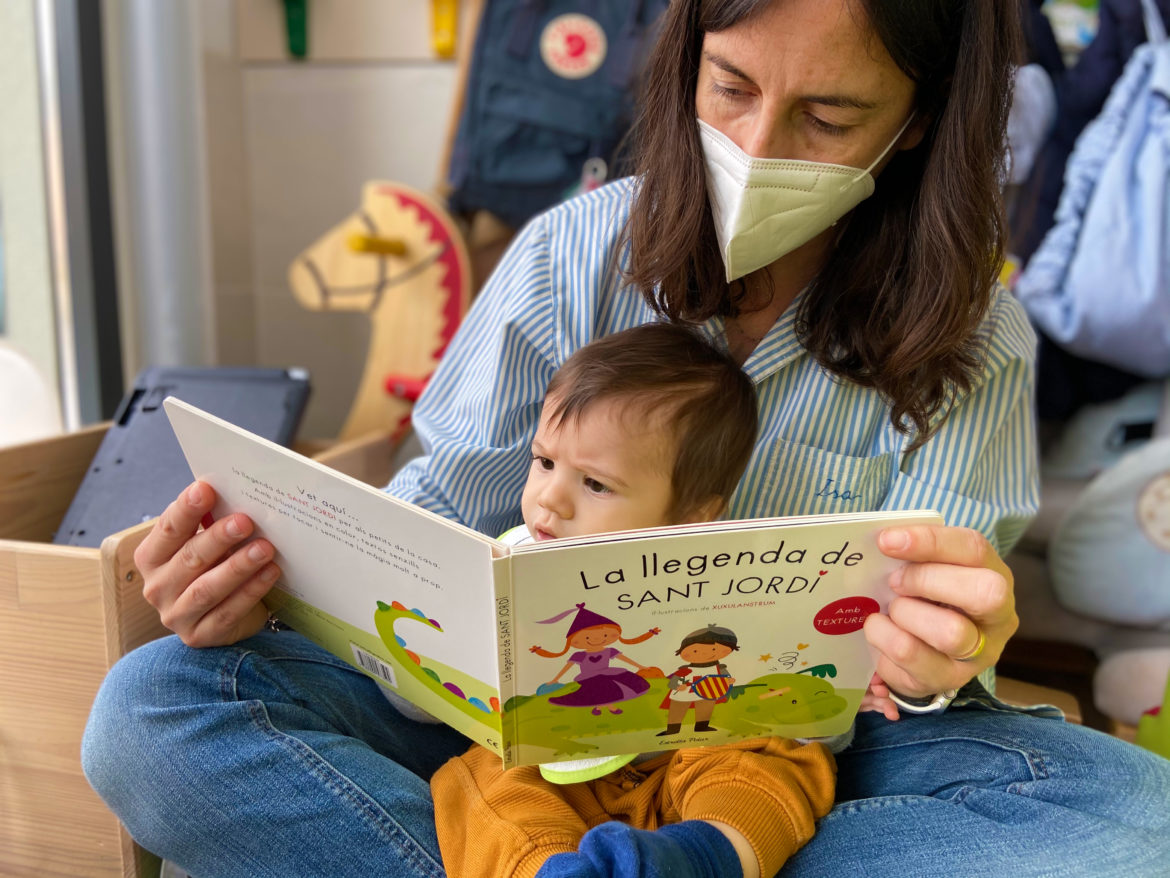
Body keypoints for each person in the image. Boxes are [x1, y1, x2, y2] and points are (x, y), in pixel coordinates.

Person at [82, 2, 1170, 877]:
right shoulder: (568, 257)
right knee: (149, 711)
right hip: (516, 724)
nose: (757, 145)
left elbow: (926, 669)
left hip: (809, 742)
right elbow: (432, 518)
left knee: (1138, 822)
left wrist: (946, 652)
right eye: (732, 87)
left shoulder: (973, 335)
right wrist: (264, 575)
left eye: (829, 118)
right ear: (686, 54)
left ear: (916, 120)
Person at [430, 322, 834, 878]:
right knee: (474, 780)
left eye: (594, 484)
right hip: (554, 772)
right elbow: (434, 684)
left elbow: (801, 693)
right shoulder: (511, 560)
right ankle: (550, 868)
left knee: (769, 755)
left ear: (693, 515)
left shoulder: (729, 576)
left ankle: (706, 856)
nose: (549, 498)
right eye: (544, 462)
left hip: (685, 757)